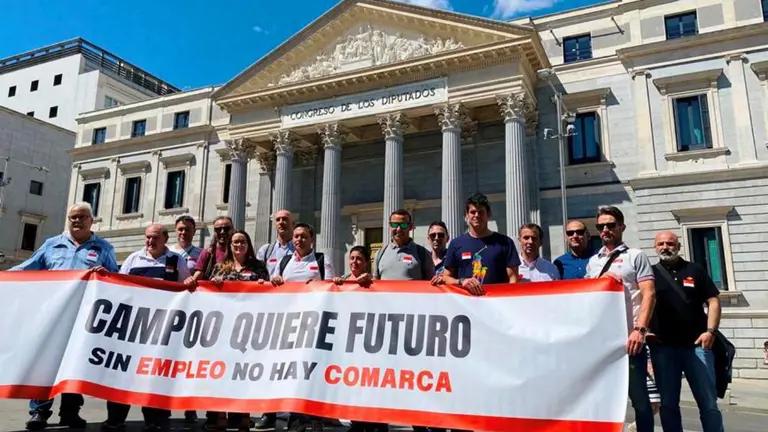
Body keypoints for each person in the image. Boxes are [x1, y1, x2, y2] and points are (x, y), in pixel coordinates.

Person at [11, 202, 118, 431]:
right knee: (46, 364)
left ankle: (70, 413)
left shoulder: (104, 248)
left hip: (84, 318)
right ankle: (39, 412)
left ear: (91, 220)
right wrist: (4, 278)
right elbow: (29, 267)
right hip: (53, 316)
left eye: (81, 217)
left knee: (75, 365)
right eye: (72, 217)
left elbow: (115, 280)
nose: (76, 221)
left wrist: (106, 275)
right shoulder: (52, 245)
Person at [103, 224, 190, 431]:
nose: (150, 242)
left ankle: (154, 420)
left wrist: (188, 281)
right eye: (148, 238)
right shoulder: (133, 259)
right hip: (132, 327)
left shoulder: (176, 260)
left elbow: (184, 288)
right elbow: (119, 284)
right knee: (123, 373)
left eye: (155, 238)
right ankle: (115, 417)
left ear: (165, 239)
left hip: (161, 329)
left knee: (155, 375)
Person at [585, 206, 656, 432]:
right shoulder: (593, 262)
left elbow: (650, 294)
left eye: (610, 225)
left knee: (640, 400)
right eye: (601, 226)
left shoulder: (635, 256)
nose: (605, 230)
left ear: (621, 227)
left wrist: (640, 330)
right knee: (602, 398)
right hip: (602, 342)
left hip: (630, 339)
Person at [648, 231, 724, 432]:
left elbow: (713, 300)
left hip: (696, 347)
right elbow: (639, 303)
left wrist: (711, 331)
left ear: (679, 246)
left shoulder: (695, 270)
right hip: (663, 349)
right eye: (661, 244)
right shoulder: (649, 274)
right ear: (655, 247)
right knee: (668, 404)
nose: (665, 247)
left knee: (708, 404)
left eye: (670, 243)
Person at [270, 223, 335, 432]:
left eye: (304, 236)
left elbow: (332, 287)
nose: (299, 240)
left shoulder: (323, 261)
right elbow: (274, 285)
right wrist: (276, 280)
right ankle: (294, 415)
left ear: (312, 238)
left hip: (314, 326)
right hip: (290, 325)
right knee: (292, 371)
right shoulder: (285, 261)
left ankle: (314, 416)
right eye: (296, 236)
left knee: (312, 372)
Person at [209, 231, 270, 431]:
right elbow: (208, 293)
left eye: (242, 242)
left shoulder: (258, 267)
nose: (238, 245)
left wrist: (264, 285)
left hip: (250, 329)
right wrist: (215, 285)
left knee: (245, 374)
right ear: (230, 245)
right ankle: (221, 417)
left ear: (248, 245)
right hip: (224, 328)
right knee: (223, 373)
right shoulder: (220, 267)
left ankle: (245, 416)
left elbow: (270, 294)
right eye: (235, 242)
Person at [334, 247, 383, 432]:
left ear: (367, 262)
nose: (354, 262)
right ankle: (357, 422)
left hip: (370, 340)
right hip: (349, 341)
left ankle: (376, 424)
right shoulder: (343, 281)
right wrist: (336, 286)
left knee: (370, 385)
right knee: (353, 385)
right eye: (352, 258)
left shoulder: (374, 282)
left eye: (359, 259)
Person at [437, 193, 520, 294]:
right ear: (466, 215)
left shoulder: (505, 242)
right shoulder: (456, 244)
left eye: (481, 212)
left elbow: (513, 278)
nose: (477, 215)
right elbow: (446, 277)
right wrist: (462, 281)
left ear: (488, 214)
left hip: (496, 303)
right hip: (467, 304)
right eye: (473, 212)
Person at [168, 215, 202, 427]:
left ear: (194, 231)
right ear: (175, 230)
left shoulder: (201, 255)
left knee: (190, 361)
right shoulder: (168, 253)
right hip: (171, 313)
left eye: (187, 229)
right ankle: (164, 404)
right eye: (180, 229)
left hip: (193, 313)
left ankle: (190, 407)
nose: (183, 232)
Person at [373, 209, 435, 281]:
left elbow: (431, 283)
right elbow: (375, 282)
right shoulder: (380, 254)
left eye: (403, 225)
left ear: (410, 227)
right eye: (394, 225)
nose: (399, 229)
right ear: (390, 226)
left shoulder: (423, 254)